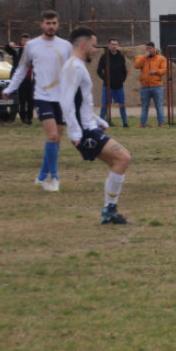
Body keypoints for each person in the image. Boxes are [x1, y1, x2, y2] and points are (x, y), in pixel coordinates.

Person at [59, 27, 132, 225]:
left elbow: (78, 102)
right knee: (122, 158)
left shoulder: (77, 65)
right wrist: (76, 132)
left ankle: (110, 210)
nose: (94, 49)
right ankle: (109, 210)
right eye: (93, 45)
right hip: (83, 132)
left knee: (118, 162)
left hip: (88, 127)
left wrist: (97, 120)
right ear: (83, 45)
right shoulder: (74, 67)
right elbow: (65, 102)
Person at [2, 10, 72, 192]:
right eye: (48, 23)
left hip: (61, 98)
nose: (51, 26)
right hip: (42, 98)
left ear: (58, 25)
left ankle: (41, 176)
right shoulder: (32, 46)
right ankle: (54, 178)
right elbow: (20, 69)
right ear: (42, 25)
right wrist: (10, 89)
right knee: (52, 136)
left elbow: (73, 70)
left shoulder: (66, 46)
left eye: (54, 23)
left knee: (57, 140)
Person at [134, 41, 167, 128]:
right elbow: (136, 65)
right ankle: (142, 124)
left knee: (159, 106)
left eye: (150, 48)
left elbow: (164, 70)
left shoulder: (161, 59)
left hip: (157, 86)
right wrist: (144, 57)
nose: (148, 50)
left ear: (154, 49)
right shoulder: (141, 58)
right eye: (147, 48)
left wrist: (157, 72)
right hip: (145, 87)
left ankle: (161, 124)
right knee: (144, 107)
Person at [97, 37, 129, 127]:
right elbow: (99, 70)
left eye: (115, 44)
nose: (114, 46)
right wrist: (105, 79)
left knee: (122, 104)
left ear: (118, 46)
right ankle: (101, 124)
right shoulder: (104, 57)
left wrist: (122, 79)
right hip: (107, 86)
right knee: (104, 104)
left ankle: (125, 123)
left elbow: (124, 71)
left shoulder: (121, 57)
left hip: (119, 85)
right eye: (112, 44)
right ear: (109, 45)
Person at [5, 33, 33, 124]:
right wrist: (9, 45)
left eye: (27, 41)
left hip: (31, 79)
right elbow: (8, 49)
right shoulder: (17, 50)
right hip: (21, 80)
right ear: (21, 41)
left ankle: (29, 118)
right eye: (24, 41)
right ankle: (23, 118)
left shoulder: (33, 51)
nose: (25, 43)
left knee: (30, 100)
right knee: (21, 100)